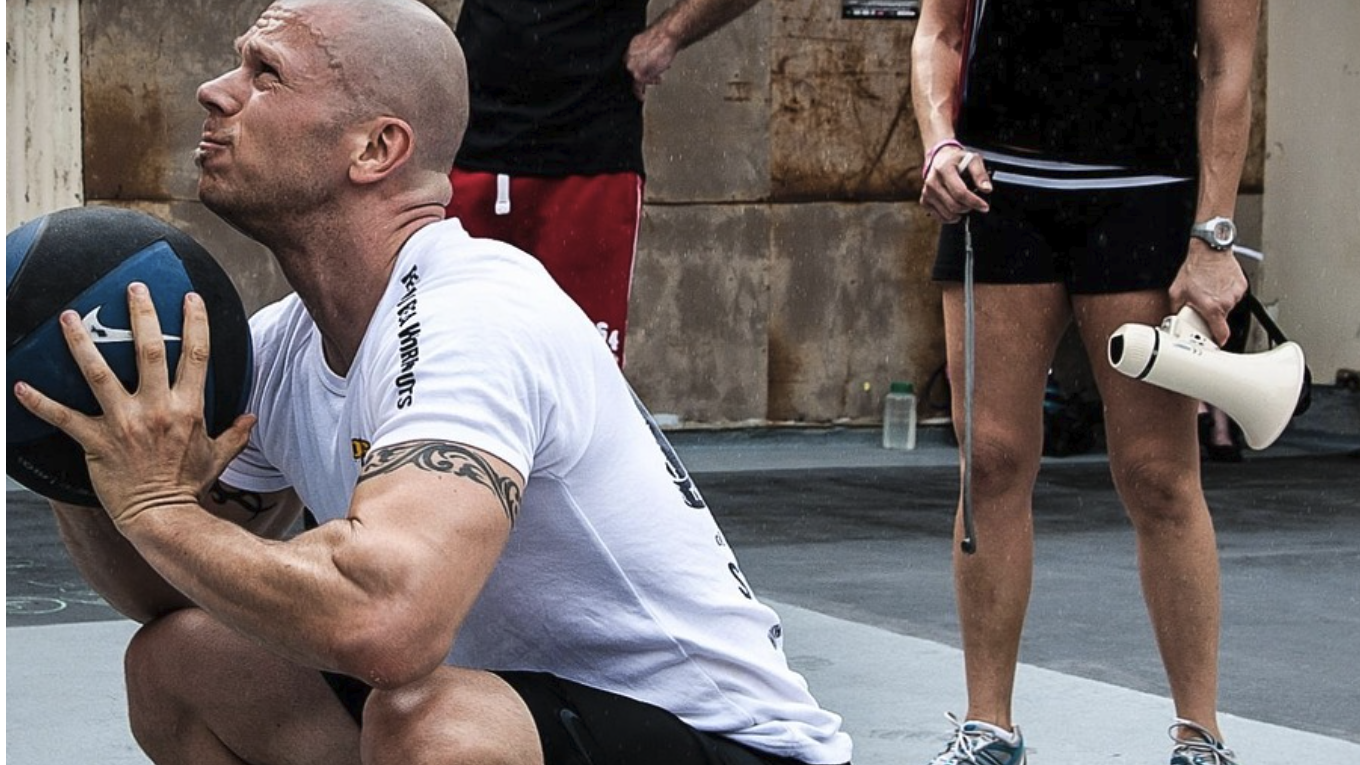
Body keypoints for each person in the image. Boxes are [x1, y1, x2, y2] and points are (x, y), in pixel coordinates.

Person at [13, 2, 852, 763]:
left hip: (730, 744)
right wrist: (77, 445)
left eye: (264, 73)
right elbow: (171, 583)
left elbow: (387, 623)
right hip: (528, 716)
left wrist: (157, 509)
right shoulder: (282, 347)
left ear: (377, 148)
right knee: (183, 661)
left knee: (431, 721)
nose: (214, 90)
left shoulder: (474, 313)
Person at [910, 0, 1259, 763]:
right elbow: (939, 31)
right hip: (998, 190)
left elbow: (1228, 64)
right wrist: (939, 146)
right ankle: (988, 728)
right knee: (992, 460)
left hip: (1145, 195)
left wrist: (1214, 234)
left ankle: (1201, 738)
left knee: (1158, 473)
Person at [448, 0, 762, 366]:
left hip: (589, 151)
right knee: (459, 355)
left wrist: (668, 34)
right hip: (472, 144)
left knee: (577, 366)